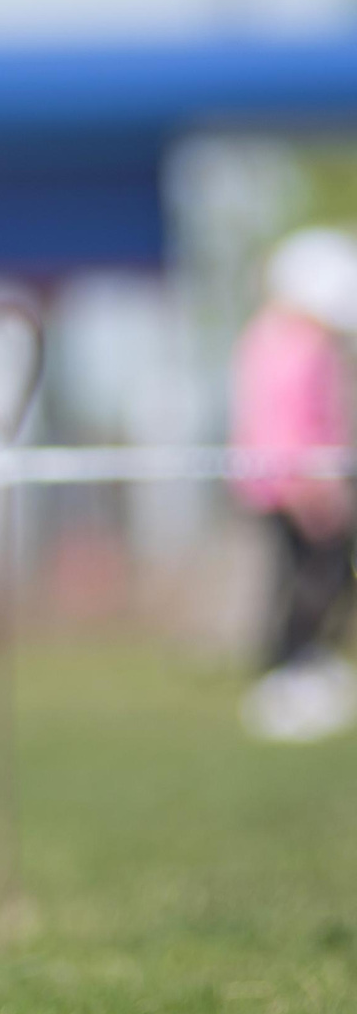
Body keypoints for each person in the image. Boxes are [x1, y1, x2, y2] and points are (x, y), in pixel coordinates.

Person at [231, 226, 357, 743]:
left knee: (317, 578)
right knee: (310, 581)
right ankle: (288, 675)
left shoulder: (279, 339)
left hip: (289, 482)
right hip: (296, 485)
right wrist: (315, 486)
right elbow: (291, 424)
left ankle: (304, 667)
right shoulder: (290, 344)